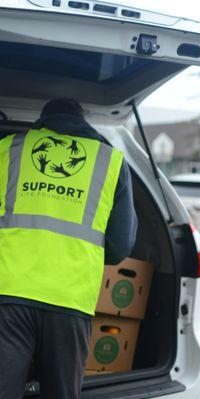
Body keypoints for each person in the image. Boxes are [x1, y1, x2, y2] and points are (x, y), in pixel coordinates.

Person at [0, 98, 138, 398]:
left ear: (42, 119)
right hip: (71, 300)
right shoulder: (111, 161)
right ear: (83, 121)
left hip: (9, 295)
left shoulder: (9, 148)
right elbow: (121, 246)